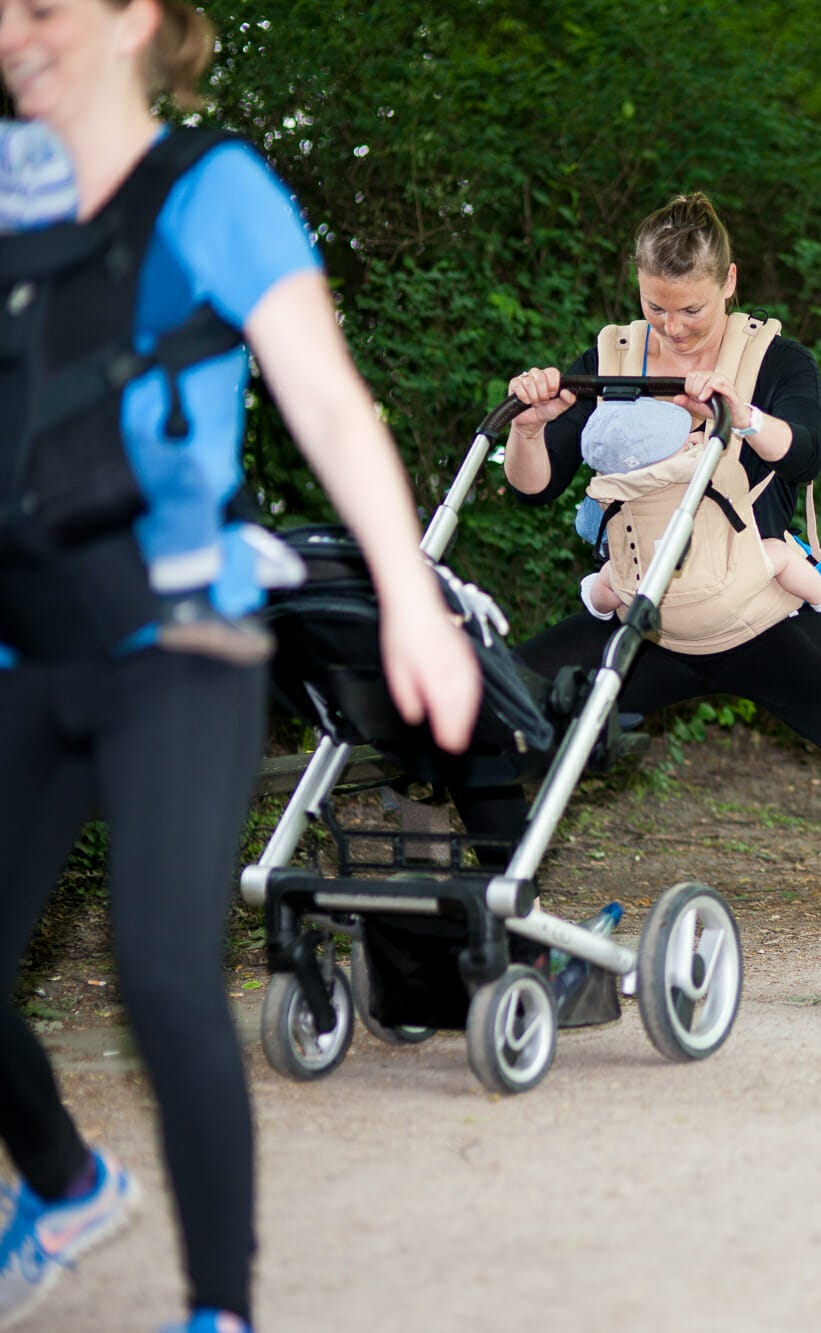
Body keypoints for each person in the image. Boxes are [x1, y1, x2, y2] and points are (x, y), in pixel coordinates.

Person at [0, 1, 482, 1330]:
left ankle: (221, 1311)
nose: (12, 32)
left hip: (183, 637)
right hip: (28, 640)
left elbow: (324, 392)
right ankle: (64, 1183)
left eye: (42, 7)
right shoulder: (7, 187)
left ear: (130, 19)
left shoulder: (215, 190)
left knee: (162, 968)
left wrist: (409, 597)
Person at [487, 192, 821, 1010]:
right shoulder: (614, 356)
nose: (673, 325)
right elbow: (532, 491)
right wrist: (530, 425)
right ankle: (527, 934)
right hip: (646, 613)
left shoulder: (776, 358)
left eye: (690, 307)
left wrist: (732, 410)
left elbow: (807, 450)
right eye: (656, 304)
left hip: (759, 609)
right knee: (504, 707)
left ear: (729, 283)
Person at [571, 398, 821, 620]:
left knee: (611, 574)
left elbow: (587, 528)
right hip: (712, 574)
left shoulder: (609, 488)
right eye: (685, 439)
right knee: (780, 554)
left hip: (645, 576)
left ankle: (598, 606)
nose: (693, 439)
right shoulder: (701, 466)